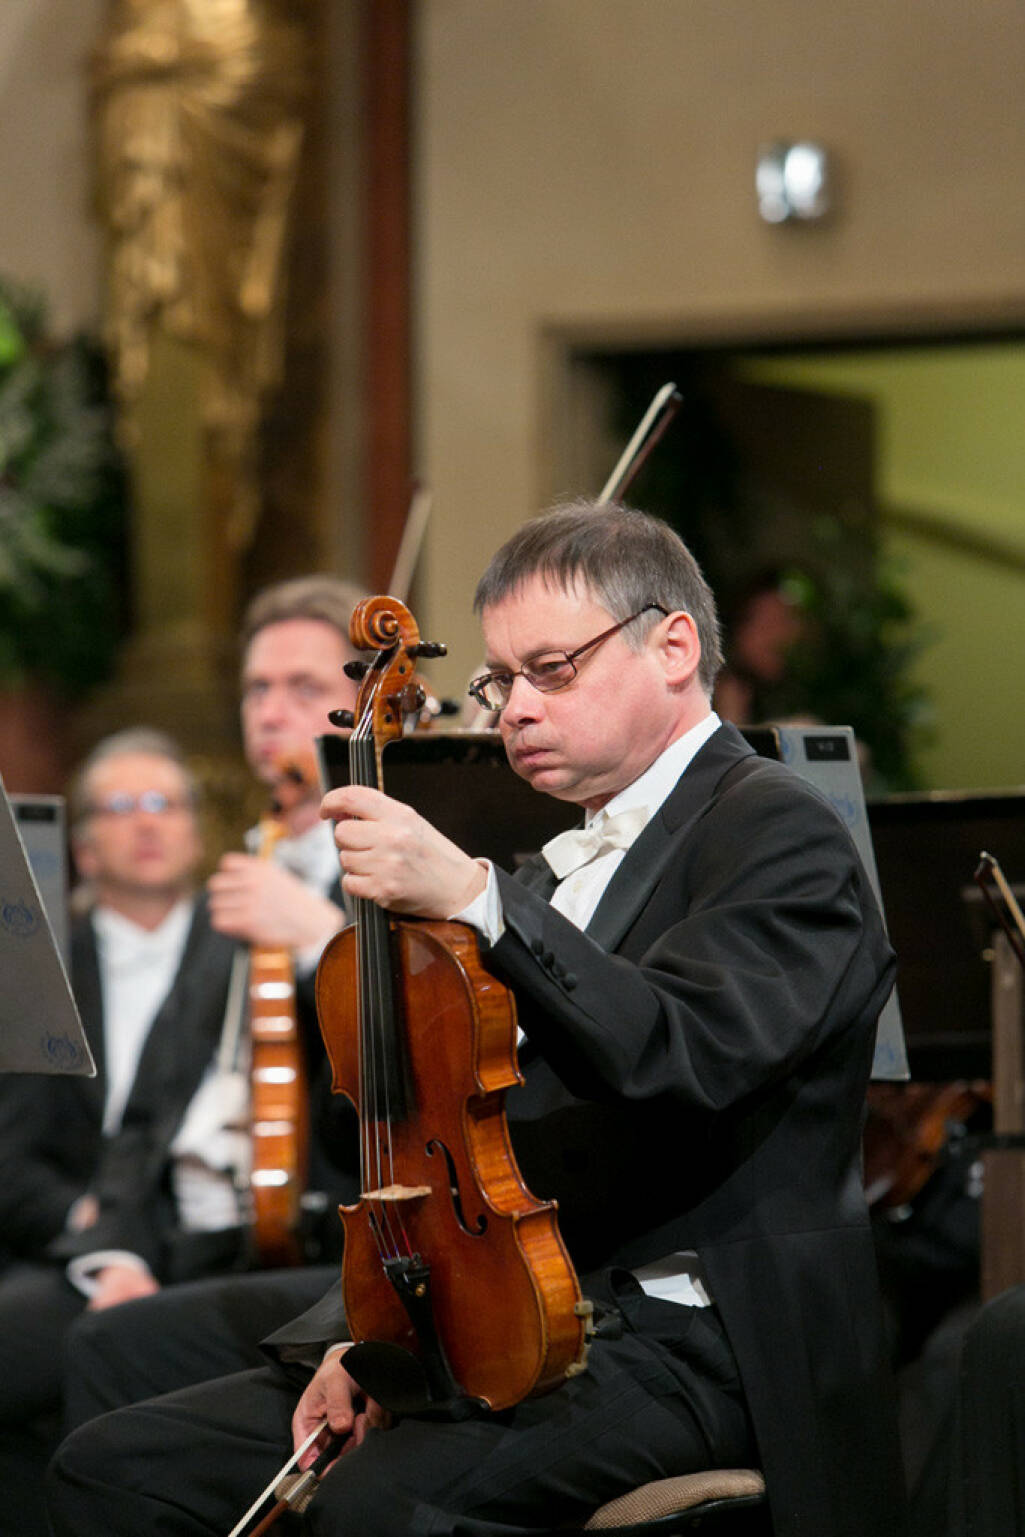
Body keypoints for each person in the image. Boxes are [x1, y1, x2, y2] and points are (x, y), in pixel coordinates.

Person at [48, 501, 906, 1537]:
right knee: (120, 1466)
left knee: (377, 1503)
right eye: (501, 680)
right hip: (507, 1315)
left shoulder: (774, 828)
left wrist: (472, 896)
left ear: (674, 647)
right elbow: (459, 1156)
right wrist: (371, 1336)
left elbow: (681, 1053)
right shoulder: (550, 870)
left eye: (552, 669)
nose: (514, 710)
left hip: (699, 1342)